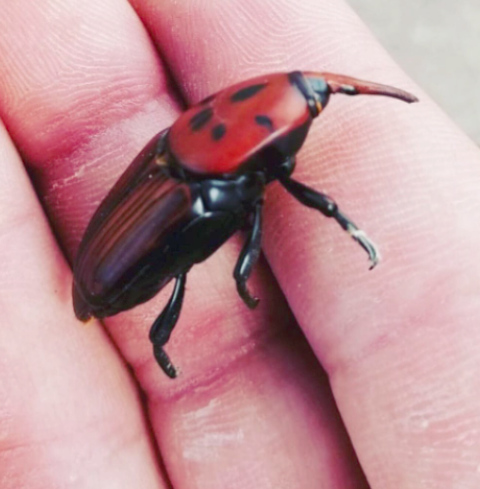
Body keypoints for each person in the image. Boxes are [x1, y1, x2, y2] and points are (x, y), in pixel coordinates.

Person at [0, 1, 479, 488]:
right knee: (192, 257)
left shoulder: (192, 150)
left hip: (107, 263)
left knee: (208, 242)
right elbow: (260, 221)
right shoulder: (212, 175)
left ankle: (160, 340)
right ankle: (159, 339)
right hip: (107, 275)